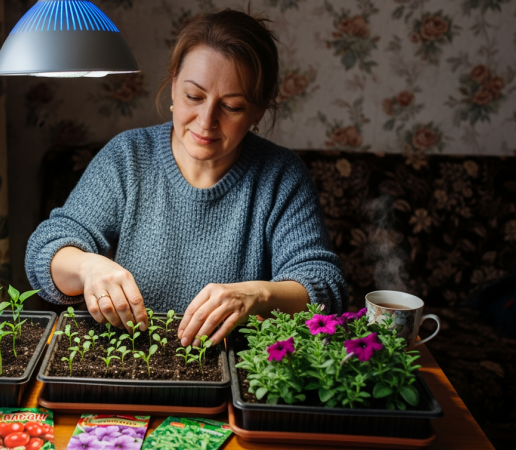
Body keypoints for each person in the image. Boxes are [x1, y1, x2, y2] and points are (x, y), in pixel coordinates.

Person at [25, 9, 348, 347]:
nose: (206, 121)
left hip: (233, 372)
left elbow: (325, 286)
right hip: (121, 364)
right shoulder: (128, 156)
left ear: (259, 111)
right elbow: (46, 250)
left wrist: (258, 295)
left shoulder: (281, 176)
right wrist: (86, 268)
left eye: (232, 106)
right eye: (194, 96)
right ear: (174, 84)